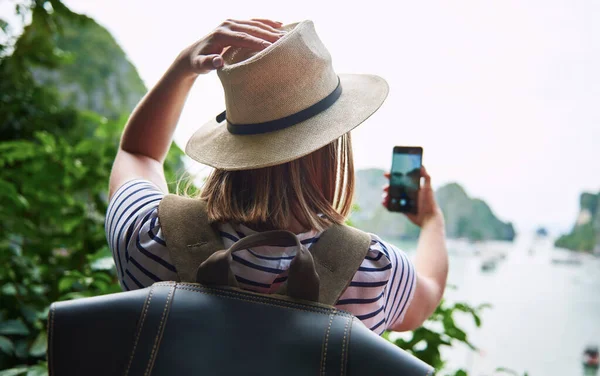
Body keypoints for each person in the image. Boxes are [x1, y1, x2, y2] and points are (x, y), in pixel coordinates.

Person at [106, 19, 448, 335]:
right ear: (333, 147)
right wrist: (432, 221)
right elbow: (427, 295)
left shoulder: (150, 237)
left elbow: (138, 154)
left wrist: (183, 69)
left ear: (233, 141)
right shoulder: (373, 272)